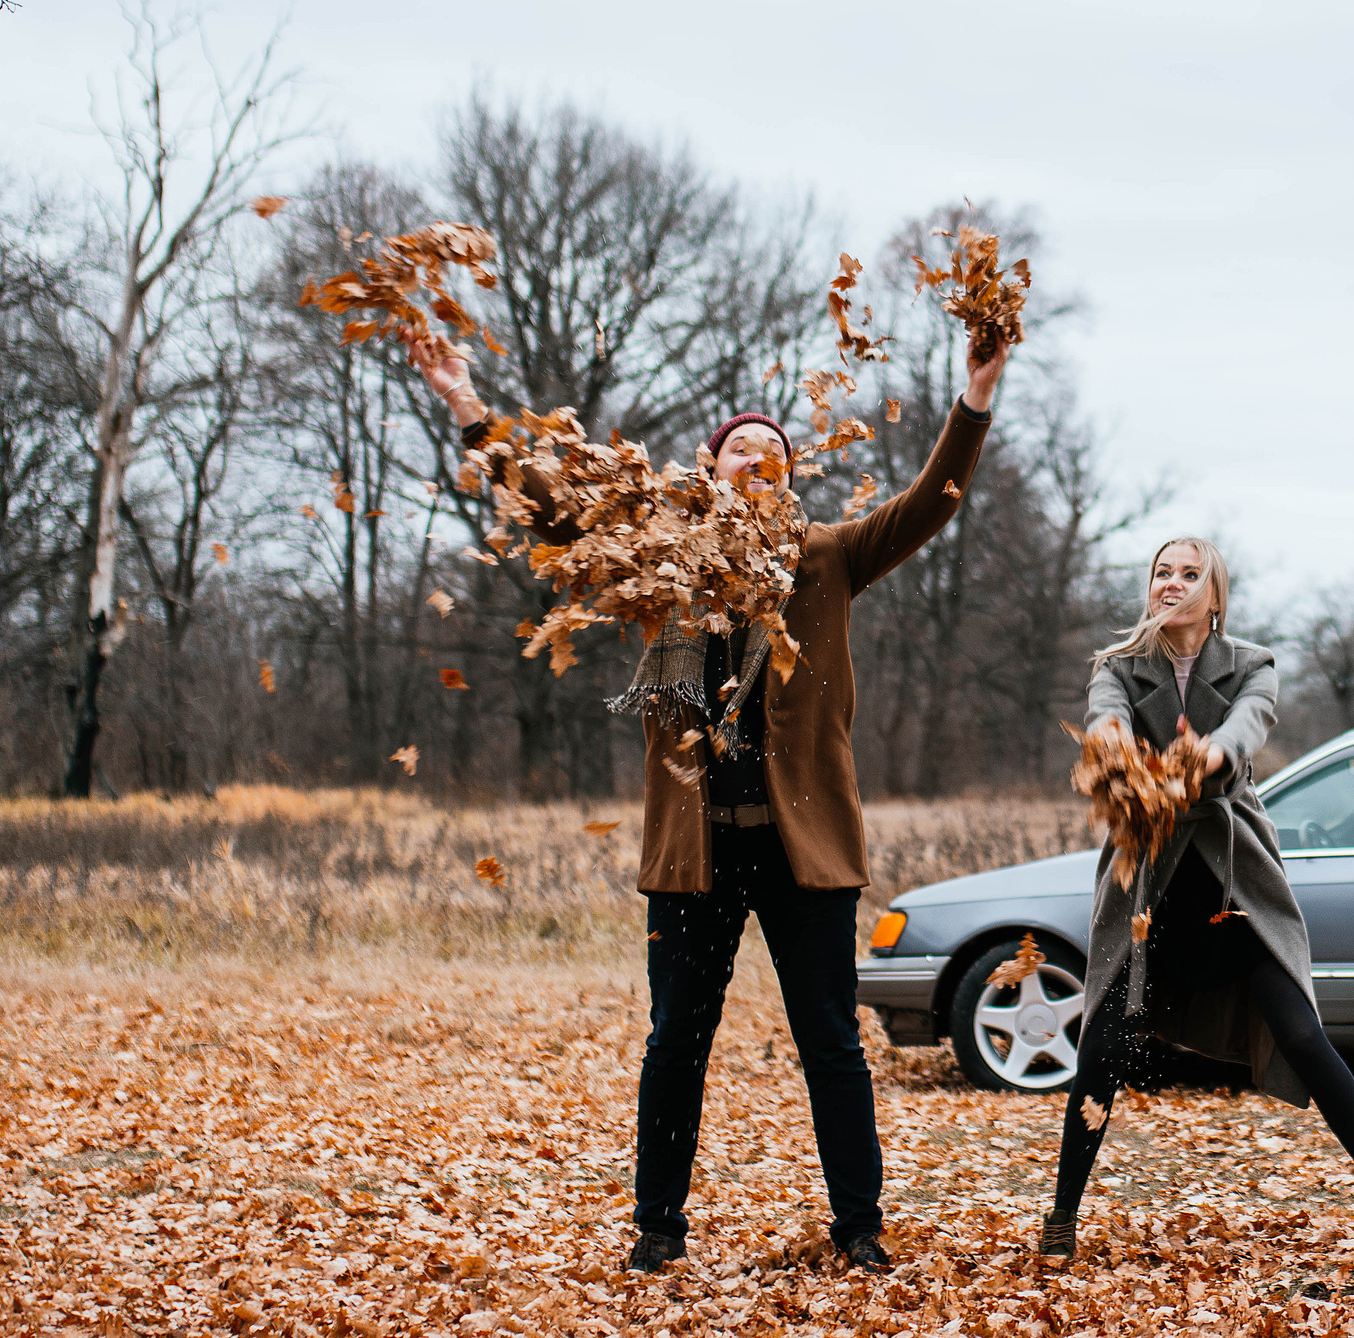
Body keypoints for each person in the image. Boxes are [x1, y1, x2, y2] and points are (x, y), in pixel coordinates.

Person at [414, 329, 1008, 1276]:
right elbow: (558, 519)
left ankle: (860, 1230)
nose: (758, 456)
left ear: (788, 472)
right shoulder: (665, 560)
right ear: (712, 465)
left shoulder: (830, 557)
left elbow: (931, 502)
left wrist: (975, 395)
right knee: (675, 1043)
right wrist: (466, 404)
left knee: (831, 1045)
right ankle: (659, 1229)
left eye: (773, 447)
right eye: (741, 445)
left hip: (803, 848)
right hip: (694, 852)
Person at [1039, 537, 1354, 1257]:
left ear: (1215, 597)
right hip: (1149, 886)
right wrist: (1119, 751)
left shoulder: (1253, 664)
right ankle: (1061, 1218)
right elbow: (1104, 721)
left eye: (1189, 574)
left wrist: (1203, 754)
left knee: (1302, 1034)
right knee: (1102, 1048)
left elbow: (1245, 729)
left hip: (1232, 883)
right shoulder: (1117, 667)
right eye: (1161, 572)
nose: (1171, 583)